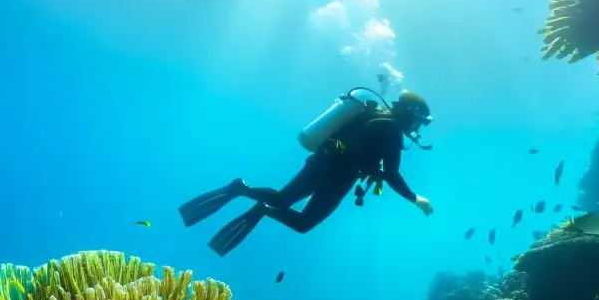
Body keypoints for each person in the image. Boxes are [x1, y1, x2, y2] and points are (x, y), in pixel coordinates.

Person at [178, 89, 435, 257]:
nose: (416, 128)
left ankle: (243, 191)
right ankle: (256, 203)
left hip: (320, 161)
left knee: (281, 198)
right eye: (417, 122)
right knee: (303, 223)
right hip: (337, 176)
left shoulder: (376, 120)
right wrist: (416, 199)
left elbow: (365, 154)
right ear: (409, 114)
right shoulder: (390, 131)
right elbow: (391, 173)